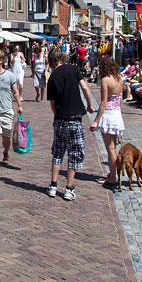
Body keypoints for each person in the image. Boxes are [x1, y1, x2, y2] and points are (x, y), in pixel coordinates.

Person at [46, 48, 94, 200]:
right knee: (74, 154)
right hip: (75, 118)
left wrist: (57, 117)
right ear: (62, 58)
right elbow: (85, 88)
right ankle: (69, 188)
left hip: (60, 118)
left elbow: (52, 104)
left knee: (58, 153)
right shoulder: (74, 70)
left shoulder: (52, 77)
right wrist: (90, 104)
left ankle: (53, 185)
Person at [90, 56, 125, 187]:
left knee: (110, 147)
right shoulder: (119, 79)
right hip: (117, 113)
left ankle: (113, 177)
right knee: (114, 147)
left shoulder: (106, 80)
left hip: (109, 114)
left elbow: (104, 102)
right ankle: (114, 173)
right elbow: (120, 100)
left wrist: (96, 121)